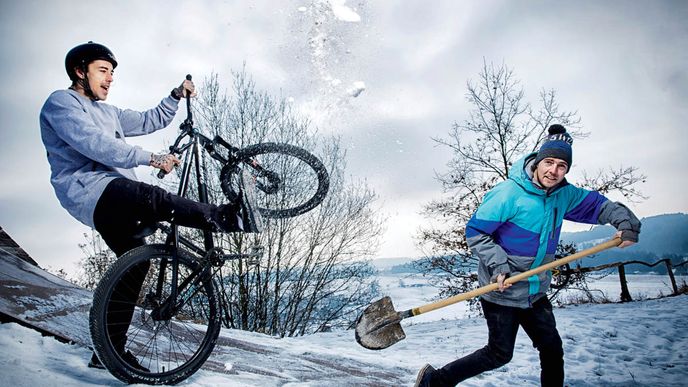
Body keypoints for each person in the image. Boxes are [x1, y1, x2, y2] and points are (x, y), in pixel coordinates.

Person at [39, 41, 262, 370]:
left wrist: (174, 96)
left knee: (135, 265)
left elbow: (149, 120)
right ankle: (227, 217)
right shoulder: (62, 103)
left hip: (112, 197)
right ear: (79, 72)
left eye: (112, 73)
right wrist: (150, 157)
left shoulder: (110, 112)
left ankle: (108, 351)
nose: (110, 78)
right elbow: (96, 145)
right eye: (102, 71)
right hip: (90, 190)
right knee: (152, 198)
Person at [414, 124, 641, 387]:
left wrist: (626, 224)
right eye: (549, 162)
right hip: (502, 289)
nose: (553, 171)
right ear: (537, 161)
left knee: (552, 350)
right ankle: (434, 381)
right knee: (499, 353)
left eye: (561, 166)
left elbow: (600, 206)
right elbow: (475, 232)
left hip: (535, 290)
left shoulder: (563, 196)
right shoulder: (509, 193)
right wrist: (499, 265)